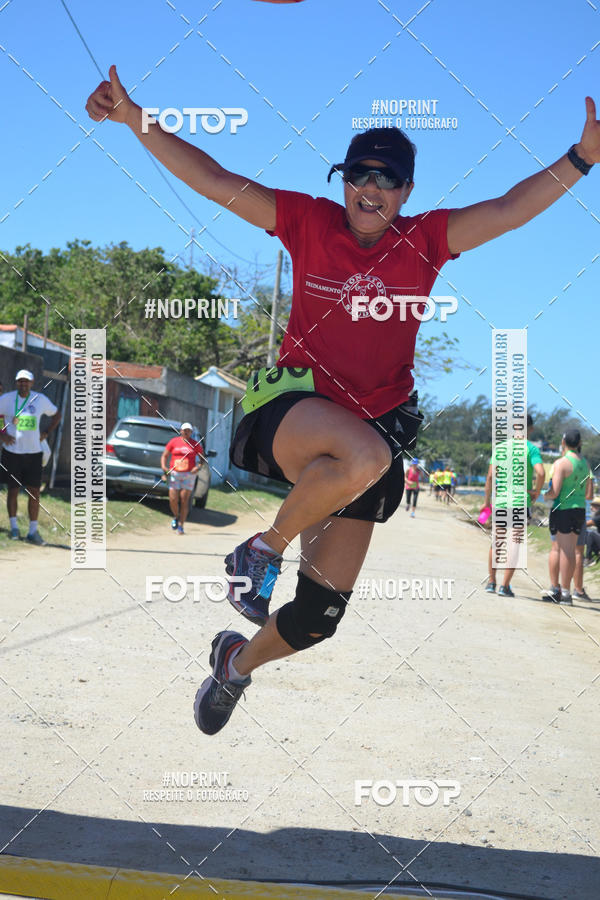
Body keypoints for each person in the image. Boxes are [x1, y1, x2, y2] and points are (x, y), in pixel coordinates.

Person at [86, 66, 600, 736]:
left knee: (317, 618)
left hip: (373, 431)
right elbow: (214, 180)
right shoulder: (307, 220)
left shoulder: (426, 241)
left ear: (407, 191)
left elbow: (507, 209)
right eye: (359, 173)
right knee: (365, 453)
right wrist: (134, 117)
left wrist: (583, 157)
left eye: (387, 177)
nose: (370, 187)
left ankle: (234, 664)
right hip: (295, 411)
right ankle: (259, 552)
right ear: (344, 181)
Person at [484, 414, 545, 598]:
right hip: (520, 502)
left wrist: (487, 501)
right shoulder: (531, 449)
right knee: (515, 543)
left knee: (497, 542)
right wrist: (536, 491)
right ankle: (505, 586)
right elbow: (541, 472)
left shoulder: (500, 448)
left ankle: (491, 582)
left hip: (501, 501)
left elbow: (489, 478)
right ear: (531, 429)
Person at [0, 370, 61, 544]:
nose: (23, 384)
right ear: (16, 383)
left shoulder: (40, 399)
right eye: (20, 381)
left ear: (32, 383)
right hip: (12, 452)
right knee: (13, 490)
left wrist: (47, 431)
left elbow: (57, 414)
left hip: (34, 453)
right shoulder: (7, 399)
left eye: (26, 381)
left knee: (34, 492)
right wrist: (1, 434)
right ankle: (14, 529)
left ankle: (33, 532)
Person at [544, 430, 594, 604]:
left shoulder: (561, 463)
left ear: (563, 442)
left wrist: (544, 495)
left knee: (563, 550)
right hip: (580, 510)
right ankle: (565, 590)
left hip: (563, 509)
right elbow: (589, 494)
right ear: (580, 443)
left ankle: (563, 592)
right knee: (572, 550)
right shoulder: (585, 464)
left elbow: (555, 491)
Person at [160, 423, 204, 535]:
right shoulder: (174, 442)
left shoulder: (195, 444)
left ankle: (181, 525)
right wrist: (164, 467)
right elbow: (164, 455)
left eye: (188, 431)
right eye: (184, 430)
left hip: (189, 474)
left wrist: (197, 467)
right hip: (175, 473)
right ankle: (176, 516)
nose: (186, 432)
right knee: (173, 499)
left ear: (191, 432)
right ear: (180, 431)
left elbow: (202, 459)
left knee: (184, 499)